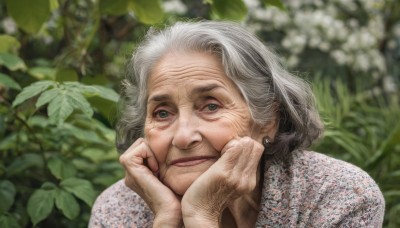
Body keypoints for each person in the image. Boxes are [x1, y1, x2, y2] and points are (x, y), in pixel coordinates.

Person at [89, 21, 385, 227]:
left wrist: (201, 215)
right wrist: (167, 220)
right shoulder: (118, 209)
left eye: (211, 106)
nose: (183, 136)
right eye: (162, 113)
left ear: (268, 119)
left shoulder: (337, 194)